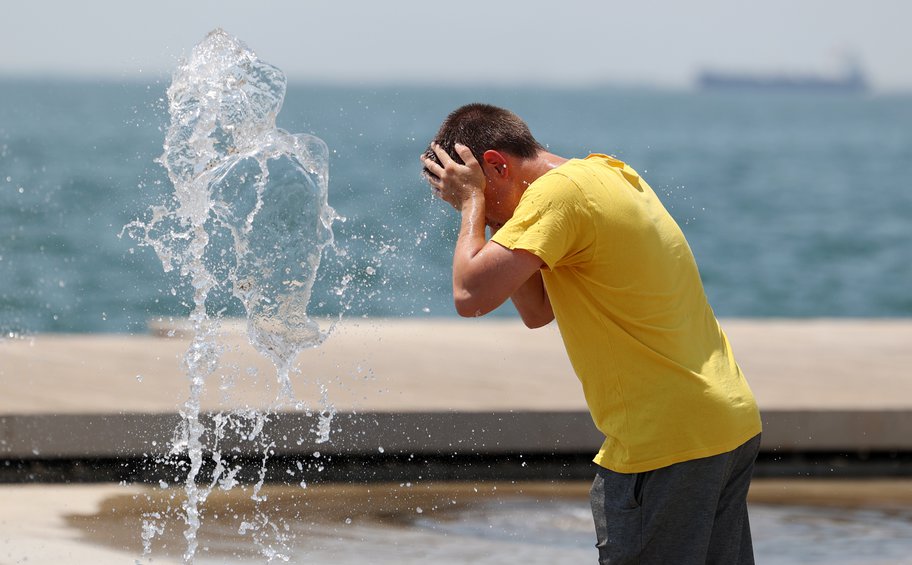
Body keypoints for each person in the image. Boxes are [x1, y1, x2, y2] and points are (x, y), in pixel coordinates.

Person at [420, 103, 762, 564]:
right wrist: (493, 211)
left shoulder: (557, 198)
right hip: (723, 423)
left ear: (498, 165)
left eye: (477, 187)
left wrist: (471, 207)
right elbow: (538, 310)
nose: (476, 214)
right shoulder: (605, 174)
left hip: (665, 442)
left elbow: (470, 294)